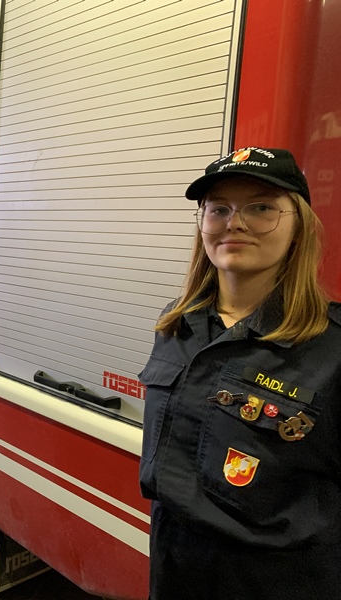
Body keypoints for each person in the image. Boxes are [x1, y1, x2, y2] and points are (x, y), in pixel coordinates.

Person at [139, 147, 341, 599]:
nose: (235, 223)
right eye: (219, 209)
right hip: (174, 572)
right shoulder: (176, 324)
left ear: (299, 225)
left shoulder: (332, 348)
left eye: (261, 207)